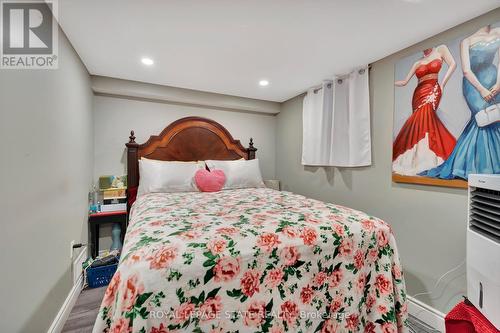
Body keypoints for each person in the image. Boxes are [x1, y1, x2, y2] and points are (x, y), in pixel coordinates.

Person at [423, 25, 500, 179]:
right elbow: (466, 70)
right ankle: (478, 168)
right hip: (473, 84)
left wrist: (498, 85)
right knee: (481, 119)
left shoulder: (498, 33)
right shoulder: (466, 41)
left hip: (493, 80)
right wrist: (481, 90)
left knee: (494, 118)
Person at [393, 45, 457, 175]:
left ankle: (431, 158)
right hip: (418, 93)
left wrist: (442, 84)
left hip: (433, 89)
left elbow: (453, 64)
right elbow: (405, 81)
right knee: (419, 122)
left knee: (427, 115)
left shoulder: (441, 49)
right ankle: (416, 160)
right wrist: (390, 83)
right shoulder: (418, 62)